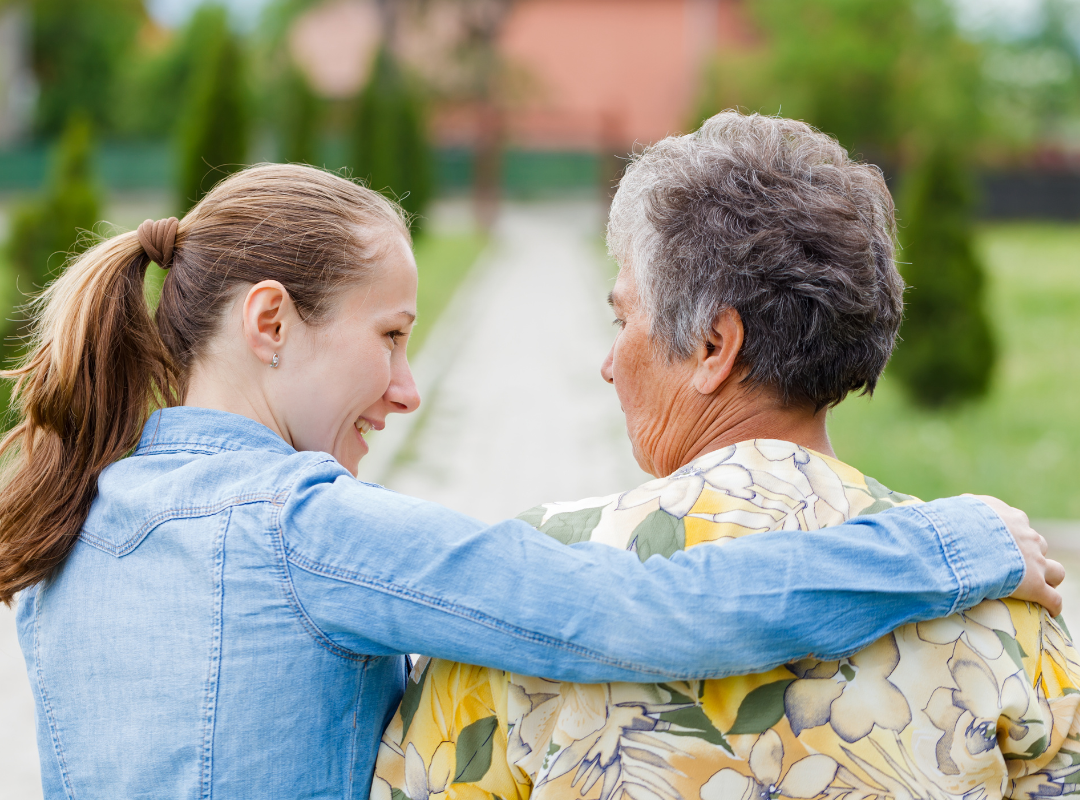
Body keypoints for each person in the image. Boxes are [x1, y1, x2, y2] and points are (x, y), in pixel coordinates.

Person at [0, 164, 1058, 800]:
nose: (408, 388)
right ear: (269, 322)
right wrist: (946, 545)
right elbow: (639, 609)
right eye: (391, 336)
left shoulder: (68, 525)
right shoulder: (304, 529)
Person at [374, 112, 1079, 800]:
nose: (607, 365)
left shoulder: (534, 587)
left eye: (623, 319)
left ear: (715, 346)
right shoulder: (1008, 597)